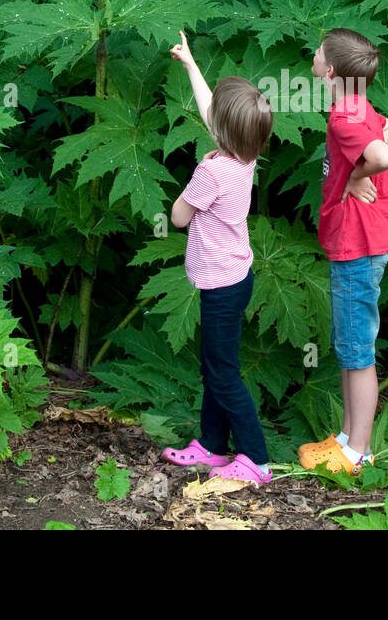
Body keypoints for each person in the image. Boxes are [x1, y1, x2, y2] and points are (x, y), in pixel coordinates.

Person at [159, 31, 275, 484]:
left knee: (223, 373)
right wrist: (190, 64)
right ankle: (211, 446)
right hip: (234, 277)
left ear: (222, 133)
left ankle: (256, 458)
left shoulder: (211, 169)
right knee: (216, 365)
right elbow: (214, 111)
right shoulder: (244, 157)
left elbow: (178, 217)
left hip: (221, 286)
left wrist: (192, 183)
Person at [298, 28, 388, 475]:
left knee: (357, 350)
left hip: (359, 245)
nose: (313, 59)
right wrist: (358, 168)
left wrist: (360, 175)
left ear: (332, 71)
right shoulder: (358, 106)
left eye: (317, 55)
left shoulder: (344, 117)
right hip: (360, 241)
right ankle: (345, 438)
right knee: (348, 344)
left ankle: (358, 452)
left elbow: (385, 154)